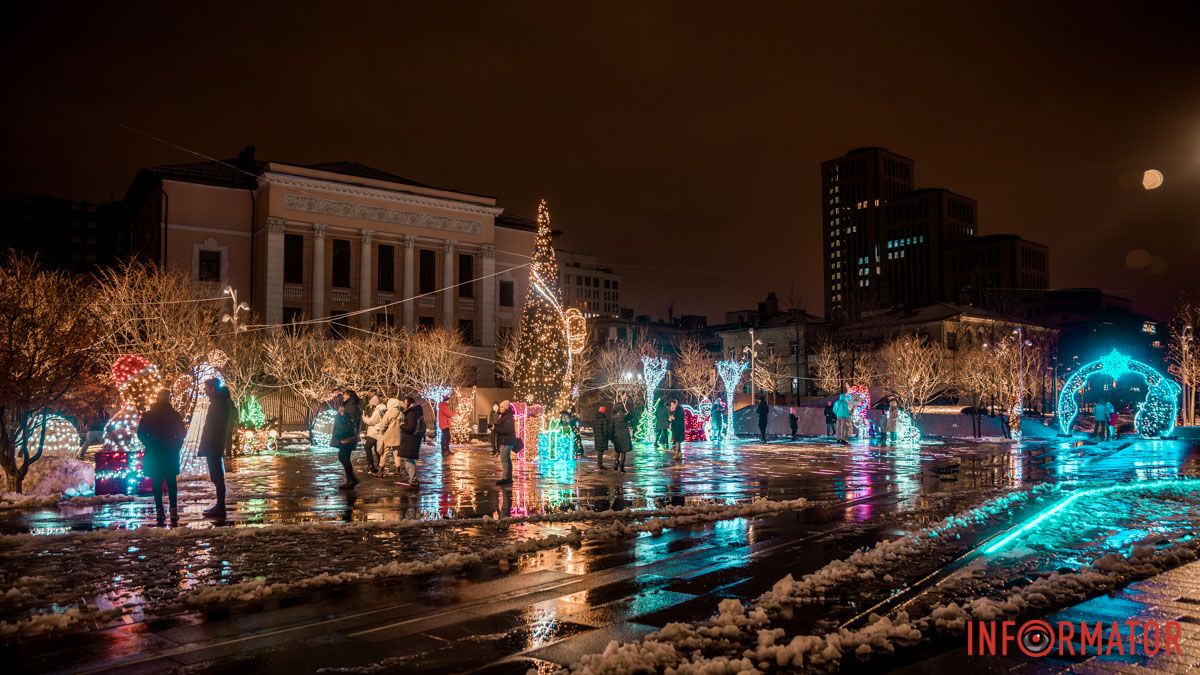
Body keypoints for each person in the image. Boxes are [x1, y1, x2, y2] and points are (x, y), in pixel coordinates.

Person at [136, 389, 186, 525]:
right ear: (168, 398)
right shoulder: (174, 415)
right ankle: (173, 511)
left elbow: (140, 433)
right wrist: (176, 445)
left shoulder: (148, 415)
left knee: (156, 482)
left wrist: (149, 444)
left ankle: (159, 511)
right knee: (171, 482)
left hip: (154, 453)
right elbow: (182, 433)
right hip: (170, 451)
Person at [198, 379, 237, 517]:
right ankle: (220, 505)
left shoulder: (219, 404)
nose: (205, 390)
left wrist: (208, 442)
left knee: (217, 477)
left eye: (206, 387)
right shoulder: (218, 402)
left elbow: (215, 427)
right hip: (213, 444)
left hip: (213, 445)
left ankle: (220, 507)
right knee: (216, 476)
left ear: (212, 389)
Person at [332, 389, 363, 489]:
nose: (343, 396)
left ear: (349, 395)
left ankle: (351, 481)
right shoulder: (351, 405)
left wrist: (342, 414)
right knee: (344, 457)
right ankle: (352, 480)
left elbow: (351, 422)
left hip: (347, 436)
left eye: (344, 394)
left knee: (343, 457)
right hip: (348, 435)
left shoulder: (352, 406)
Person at [397, 396, 425, 486]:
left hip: (410, 440)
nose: (404, 405)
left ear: (409, 403)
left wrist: (401, 425)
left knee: (409, 460)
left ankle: (413, 479)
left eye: (405, 403)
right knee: (409, 460)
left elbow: (411, 428)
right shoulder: (414, 412)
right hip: (411, 440)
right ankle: (412, 478)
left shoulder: (412, 413)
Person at [494, 400, 517, 485]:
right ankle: (508, 478)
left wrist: (495, 428)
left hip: (507, 441)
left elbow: (507, 430)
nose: (500, 408)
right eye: (500, 406)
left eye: (502, 407)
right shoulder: (505, 416)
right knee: (506, 459)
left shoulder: (508, 417)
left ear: (506, 408)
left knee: (504, 459)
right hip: (505, 440)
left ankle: (506, 478)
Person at [378, 398, 403, 475]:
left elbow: (383, 424)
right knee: (397, 453)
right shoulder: (400, 413)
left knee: (384, 453)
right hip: (398, 436)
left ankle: (380, 470)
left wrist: (381, 432)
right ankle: (398, 471)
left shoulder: (389, 412)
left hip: (388, 436)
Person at [361, 396, 385, 475]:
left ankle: (371, 465)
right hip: (376, 432)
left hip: (374, 432)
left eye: (371, 404)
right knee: (377, 450)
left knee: (367, 447)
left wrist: (364, 418)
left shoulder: (378, 411)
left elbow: (371, 421)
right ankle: (379, 466)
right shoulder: (381, 410)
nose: (370, 406)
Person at [612, 407, 634, 473]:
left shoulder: (613, 417)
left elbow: (611, 427)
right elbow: (632, 417)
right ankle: (622, 466)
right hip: (624, 436)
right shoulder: (625, 416)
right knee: (623, 452)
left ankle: (616, 463)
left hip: (616, 436)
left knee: (617, 450)